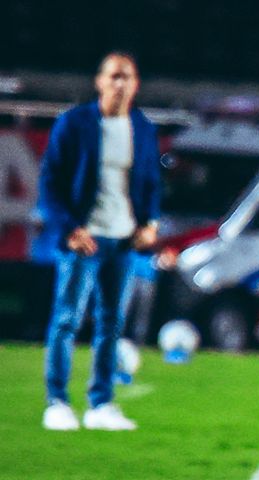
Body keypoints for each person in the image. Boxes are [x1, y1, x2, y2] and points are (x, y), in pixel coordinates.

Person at [38, 51, 162, 431]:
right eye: (114, 76)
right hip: (84, 238)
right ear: (100, 81)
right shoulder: (75, 124)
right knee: (66, 319)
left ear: (136, 84)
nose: (120, 84)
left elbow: (151, 182)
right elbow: (50, 181)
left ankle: (101, 404)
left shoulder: (141, 127)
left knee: (112, 323)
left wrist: (150, 224)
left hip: (122, 239)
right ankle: (57, 401)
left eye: (127, 77)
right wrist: (69, 228)